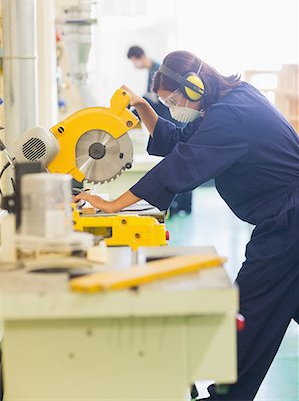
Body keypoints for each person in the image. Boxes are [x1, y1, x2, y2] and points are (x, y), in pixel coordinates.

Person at [74, 50, 299, 401]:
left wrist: (112, 204)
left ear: (194, 87)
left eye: (172, 99)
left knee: (249, 312)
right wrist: (144, 108)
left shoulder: (233, 114)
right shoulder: (231, 103)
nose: (173, 106)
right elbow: (181, 140)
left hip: (289, 222)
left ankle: (227, 396)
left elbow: (184, 162)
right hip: (288, 218)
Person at [127, 45, 193, 214]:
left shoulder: (158, 71)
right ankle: (181, 205)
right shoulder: (153, 70)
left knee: (182, 164)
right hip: (169, 123)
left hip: (174, 123)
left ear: (138, 57)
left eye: (133, 62)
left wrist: (135, 109)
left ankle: (183, 205)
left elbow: (154, 99)